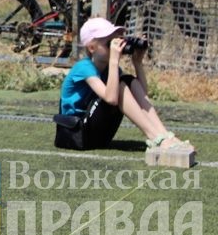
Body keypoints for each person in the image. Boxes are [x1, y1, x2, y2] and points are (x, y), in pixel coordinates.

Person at [57, 17, 193, 151]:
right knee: (120, 85)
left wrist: (137, 63)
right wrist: (114, 61)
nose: (116, 47)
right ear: (92, 47)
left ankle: (163, 135)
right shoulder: (84, 67)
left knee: (127, 79)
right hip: (78, 134)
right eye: (109, 43)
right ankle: (155, 137)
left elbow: (142, 96)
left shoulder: (110, 70)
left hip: (99, 135)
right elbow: (111, 98)